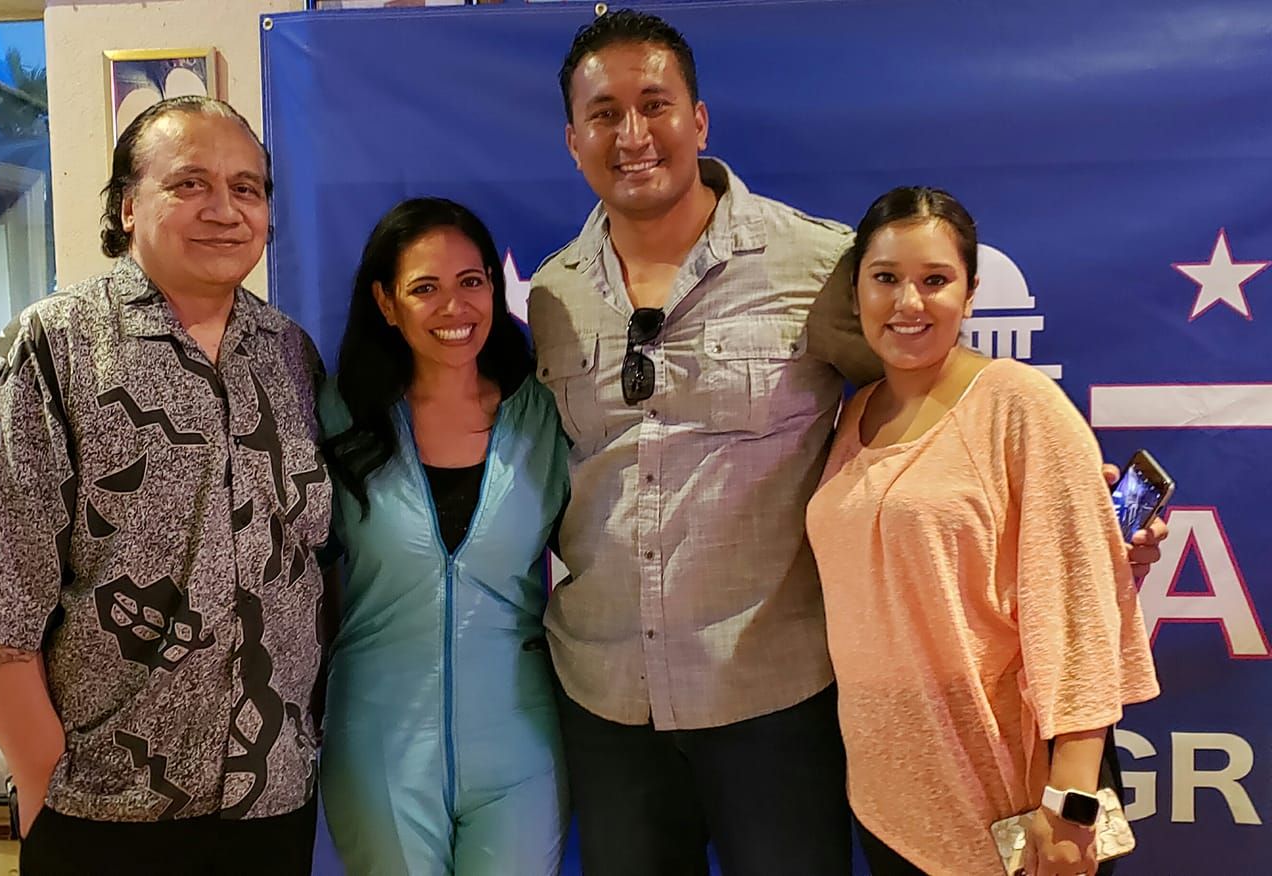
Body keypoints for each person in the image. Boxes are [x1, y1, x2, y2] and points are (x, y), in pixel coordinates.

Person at [527, 10, 1168, 875]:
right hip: (607, 701)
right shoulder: (553, 295)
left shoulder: (819, 265)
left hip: (774, 701)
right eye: (604, 114)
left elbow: (939, 404)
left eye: (655, 104)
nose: (633, 134)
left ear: (699, 120)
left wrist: (1069, 518)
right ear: (573, 140)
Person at [0, 96, 332, 875]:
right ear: (128, 205)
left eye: (246, 187)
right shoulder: (51, 348)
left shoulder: (290, 355)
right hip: (102, 810)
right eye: (190, 184)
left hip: (271, 798)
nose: (225, 209)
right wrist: (44, 779)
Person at [806, 187, 1159, 875]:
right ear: (856, 292)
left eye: (935, 280)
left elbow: (1079, 614)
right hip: (889, 799)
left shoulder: (1019, 405)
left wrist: (1072, 802)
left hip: (1012, 798)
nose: (909, 302)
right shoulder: (854, 414)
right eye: (886, 278)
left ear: (969, 294)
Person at [317, 198, 569, 875]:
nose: (454, 307)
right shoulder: (339, 417)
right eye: (425, 288)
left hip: (520, 742)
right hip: (378, 744)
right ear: (386, 303)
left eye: (471, 281)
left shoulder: (545, 413)